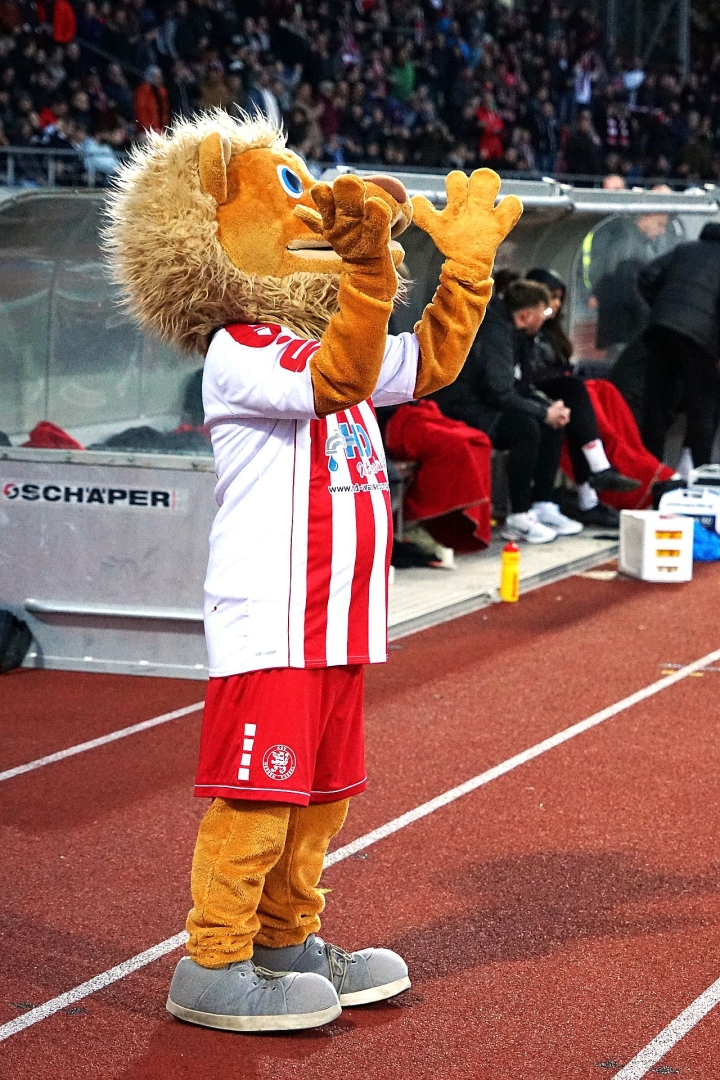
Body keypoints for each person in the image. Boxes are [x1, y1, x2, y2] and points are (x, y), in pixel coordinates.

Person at [526, 268, 674, 522]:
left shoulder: (550, 333)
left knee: (590, 396)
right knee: (574, 398)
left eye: (559, 298)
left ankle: (592, 491)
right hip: (533, 394)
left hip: (556, 393)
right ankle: (598, 472)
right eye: (551, 297)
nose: (556, 304)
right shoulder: (524, 332)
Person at [639, 222, 720, 467]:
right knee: (703, 405)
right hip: (700, 337)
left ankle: (652, 471)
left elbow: (646, 276)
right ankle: (700, 471)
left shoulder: (683, 250)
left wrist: (662, 307)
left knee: (656, 404)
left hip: (661, 328)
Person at [134, 66, 170, 134]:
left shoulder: (162, 91)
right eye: (157, 77)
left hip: (161, 129)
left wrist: (164, 126)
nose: (159, 79)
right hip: (148, 130)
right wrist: (149, 128)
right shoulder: (143, 91)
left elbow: (165, 110)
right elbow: (141, 111)